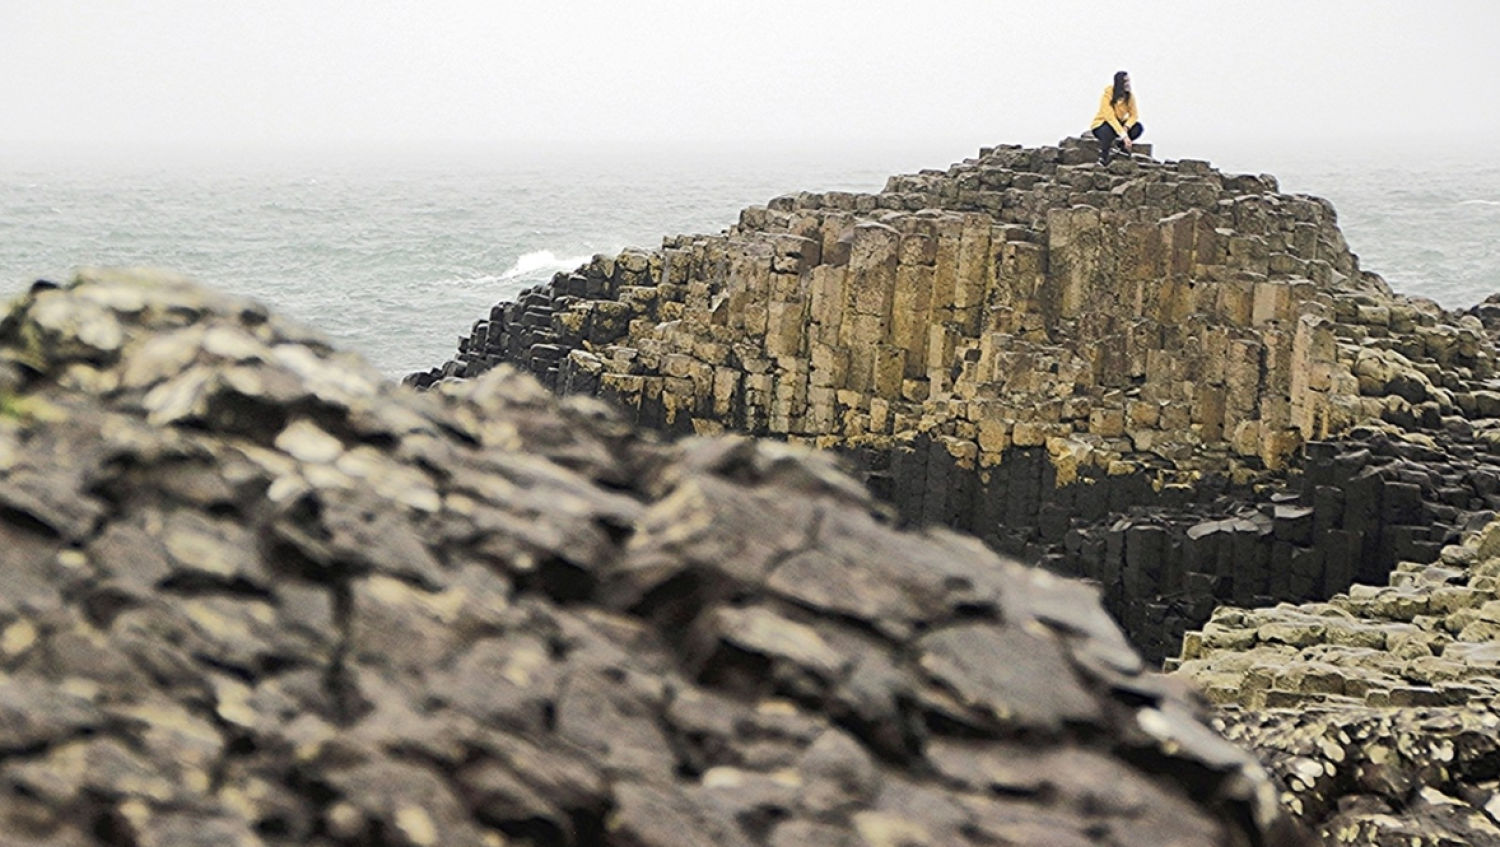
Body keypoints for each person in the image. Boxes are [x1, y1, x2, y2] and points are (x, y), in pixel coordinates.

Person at [1091, 71, 1143, 165]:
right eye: (1125, 81)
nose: (1128, 84)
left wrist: (1126, 127)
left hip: (1119, 123)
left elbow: (1134, 115)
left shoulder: (1130, 97)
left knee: (1138, 127)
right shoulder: (1107, 95)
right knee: (1107, 132)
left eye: (1129, 81)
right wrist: (1124, 136)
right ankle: (1103, 158)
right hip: (1102, 124)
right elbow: (1110, 117)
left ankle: (1121, 148)